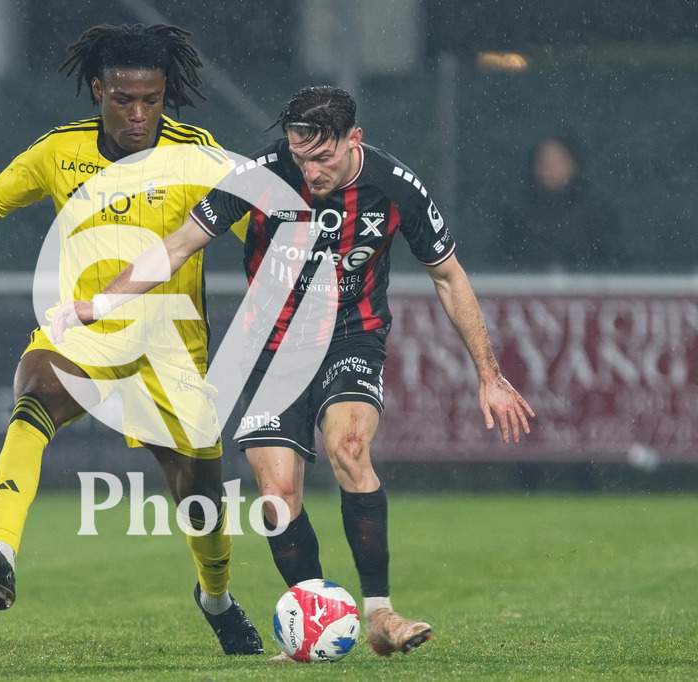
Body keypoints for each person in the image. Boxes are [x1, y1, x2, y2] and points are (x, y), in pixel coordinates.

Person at [52, 85, 535, 658]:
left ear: (355, 139)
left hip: (351, 337)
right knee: (277, 495)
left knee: (351, 450)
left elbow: (449, 277)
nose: (309, 170)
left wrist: (489, 373)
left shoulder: (393, 186)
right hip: (270, 346)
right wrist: (100, 303)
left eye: (323, 157)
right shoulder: (260, 177)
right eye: (299, 155)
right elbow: (179, 243)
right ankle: (313, 617)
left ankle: (379, 614)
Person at [0, 23, 263, 656]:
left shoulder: (200, 155)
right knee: (34, 400)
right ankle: (2, 552)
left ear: (167, 95)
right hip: (83, 334)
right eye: (123, 100)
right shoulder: (58, 152)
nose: (138, 115)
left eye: (152, 100)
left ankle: (216, 597)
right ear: (97, 90)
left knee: (200, 502)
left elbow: (256, 227)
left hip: (171, 353)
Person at [497, 133, 623, 271]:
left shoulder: (596, 210)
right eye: (545, 162)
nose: (551, 169)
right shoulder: (517, 212)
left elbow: (612, 260)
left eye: (558, 162)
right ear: (535, 168)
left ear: (573, 165)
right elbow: (504, 262)